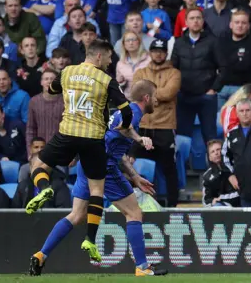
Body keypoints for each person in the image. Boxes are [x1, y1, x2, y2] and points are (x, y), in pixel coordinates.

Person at [28, 80, 167, 277]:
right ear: (146, 98)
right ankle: (142, 267)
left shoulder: (123, 111)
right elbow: (123, 129)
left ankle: (41, 255)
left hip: (88, 163)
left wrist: (134, 176)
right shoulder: (133, 113)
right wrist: (139, 139)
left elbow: (117, 147)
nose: (156, 100)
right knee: (134, 213)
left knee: (76, 215)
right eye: (154, 96)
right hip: (104, 168)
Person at [24, 40, 144, 263]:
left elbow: (52, 89)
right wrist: (126, 125)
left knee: (39, 165)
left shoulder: (67, 71)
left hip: (67, 133)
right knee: (96, 190)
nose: (110, 62)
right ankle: (90, 238)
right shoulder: (106, 80)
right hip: (92, 139)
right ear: (99, 57)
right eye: (109, 58)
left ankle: (43, 188)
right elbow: (125, 109)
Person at [131, 39, 181, 207]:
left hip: (165, 126)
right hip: (142, 126)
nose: (158, 54)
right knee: (132, 166)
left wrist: (148, 94)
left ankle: (172, 205)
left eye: (161, 51)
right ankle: (134, 203)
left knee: (169, 169)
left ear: (166, 53)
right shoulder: (140, 71)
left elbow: (169, 93)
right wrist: (155, 96)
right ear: (149, 52)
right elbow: (135, 92)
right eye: (155, 50)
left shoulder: (174, 73)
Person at [171, 8, 218, 144]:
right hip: (184, 96)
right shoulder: (179, 42)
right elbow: (173, 68)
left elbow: (224, 67)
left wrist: (213, 89)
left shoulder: (212, 41)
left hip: (206, 97)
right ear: (186, 22)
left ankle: (214, 165)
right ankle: (182, 166)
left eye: (198, 18)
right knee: (182, 137)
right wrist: (176, 88)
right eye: (192, 18)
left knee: (210, 136)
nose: (195, 21)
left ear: (203, 21)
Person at [223, 97, 251, 207]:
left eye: (248, 110)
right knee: (248, 222)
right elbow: (224, 157)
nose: (245, 114)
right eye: (241, 111)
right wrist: (230, 175)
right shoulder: (232, 134)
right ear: (237, 114)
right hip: (243, 188)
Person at [213, 10, 251, 108]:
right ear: (231, 24)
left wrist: (225, 63)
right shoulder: (221, 42)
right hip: (221, 88)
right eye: (237, 22)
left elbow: (244, 66)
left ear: (248, 26)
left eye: (243, 23)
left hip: (242, 89)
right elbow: (216, 64)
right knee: (219, 120)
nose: (240, 25)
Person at [26, 69, 63, 152]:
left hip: (60, 149)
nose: (49, 81)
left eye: (52, 79)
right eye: (46, 79)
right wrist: (30, 151)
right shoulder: (34, 101)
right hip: (40, 150)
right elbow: (30, 129)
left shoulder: (65, 101)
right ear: (41, 82)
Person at [202, 139, 240, 207]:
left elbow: (242, 193)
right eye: (212, 152)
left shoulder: (236, 168)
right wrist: (212, 201)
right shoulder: (207, 176)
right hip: (221, 207)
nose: (216, 153)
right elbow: (206, 200)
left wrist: (222, 198)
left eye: (218, 149)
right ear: (209, 157)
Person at [116, 31, 151, 98]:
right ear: (124, 44)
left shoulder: (149, 59)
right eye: (128, 40)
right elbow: (119, 89)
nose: (131, 43)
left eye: (134, 40)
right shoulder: (120, 63)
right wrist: (121, 82)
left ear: (139, 42)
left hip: (145, 99)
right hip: (128, 99)